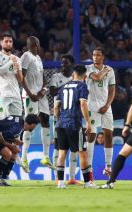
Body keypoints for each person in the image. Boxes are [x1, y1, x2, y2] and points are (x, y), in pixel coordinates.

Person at [54, 64, 96, 189]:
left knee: (62, 153)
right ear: (85, 76)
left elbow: (56, 107)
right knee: (82, 153)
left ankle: (60, 183)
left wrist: (58, 120)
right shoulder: (82, 86)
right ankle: (87, 183)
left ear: (73, 74)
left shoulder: (62, 87)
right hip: (74, 123)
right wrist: (88, 122)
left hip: (61, 124)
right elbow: (83, 104)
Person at [20, 36, 52, 171]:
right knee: (30, 125)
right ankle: (24, 158)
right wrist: (29, 93)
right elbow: (21, 76)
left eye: (38, 45)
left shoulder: (38, 58)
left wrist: (44, 90)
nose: (38, 47)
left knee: (45, 120)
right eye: (36, 45)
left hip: (40, 94)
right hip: (30, 94)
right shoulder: (26, 56)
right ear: (31, 45)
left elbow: (43, 77)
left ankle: (45, 156)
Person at [85, 47, 116, 178]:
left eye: (98, 55)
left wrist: (107, 105)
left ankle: (108, 166)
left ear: (103, 57)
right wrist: (105, 70)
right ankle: (89, 168)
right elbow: (97, 78)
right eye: (94, 55)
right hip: (91, 106)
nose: (95, 57)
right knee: (91, 135)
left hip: (105, 107)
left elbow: (112, 90)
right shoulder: (88, 69)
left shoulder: (111, 70)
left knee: (108, 134)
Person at [49, 54, 80, 185]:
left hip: (73, 116)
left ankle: (72, 177)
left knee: (74, 148)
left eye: (65, 63)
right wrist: (69, 88)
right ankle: (57, 177)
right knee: (58, 146)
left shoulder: (76, 77)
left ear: (72, 64)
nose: (63, 66)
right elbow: (52, 92)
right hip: (59, 116)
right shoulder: (56, 77)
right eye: (61, 63)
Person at [0, 115, 38, 186]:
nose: (34, 128)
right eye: (35, 126)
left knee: (14, 154)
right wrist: (12, 146)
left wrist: (14, 140)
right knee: (7, 154)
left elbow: (5, 133)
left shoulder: (19, 122)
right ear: (33, 124)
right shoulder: (17, 128)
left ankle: (3, 179)